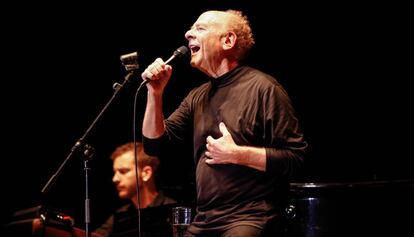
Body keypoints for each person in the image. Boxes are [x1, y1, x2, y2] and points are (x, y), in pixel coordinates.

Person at [141, 9, 307, 237]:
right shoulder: (197, 96)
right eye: (191, 28)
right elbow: (154, 146)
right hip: (205, 219)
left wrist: (238, 154)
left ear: (228, 40)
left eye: (200, 28)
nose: (188, 34)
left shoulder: (264, 89)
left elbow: (296, 158)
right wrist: (155, 94)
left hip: (250, 217)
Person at [94, 141, 176, 237]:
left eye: (123, 171)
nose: (114, 179)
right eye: (115, 172)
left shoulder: (172, 211)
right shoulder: (120, 215)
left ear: (146, 173)